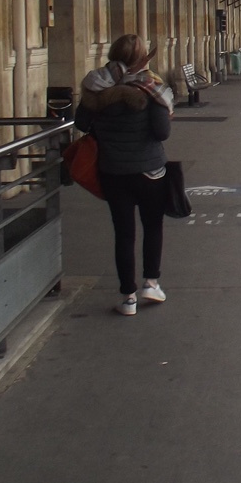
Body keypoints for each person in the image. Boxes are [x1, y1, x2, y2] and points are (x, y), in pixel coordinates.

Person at [76, 34, 174, 317]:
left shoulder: (95, 88)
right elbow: (162, 132)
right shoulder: (150, 87)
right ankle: (151, 284)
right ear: (141, 59)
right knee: (152, 226)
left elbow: (82, 123)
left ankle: (127, 297)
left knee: (124, 233)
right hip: (150, 172)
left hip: (113, 171)